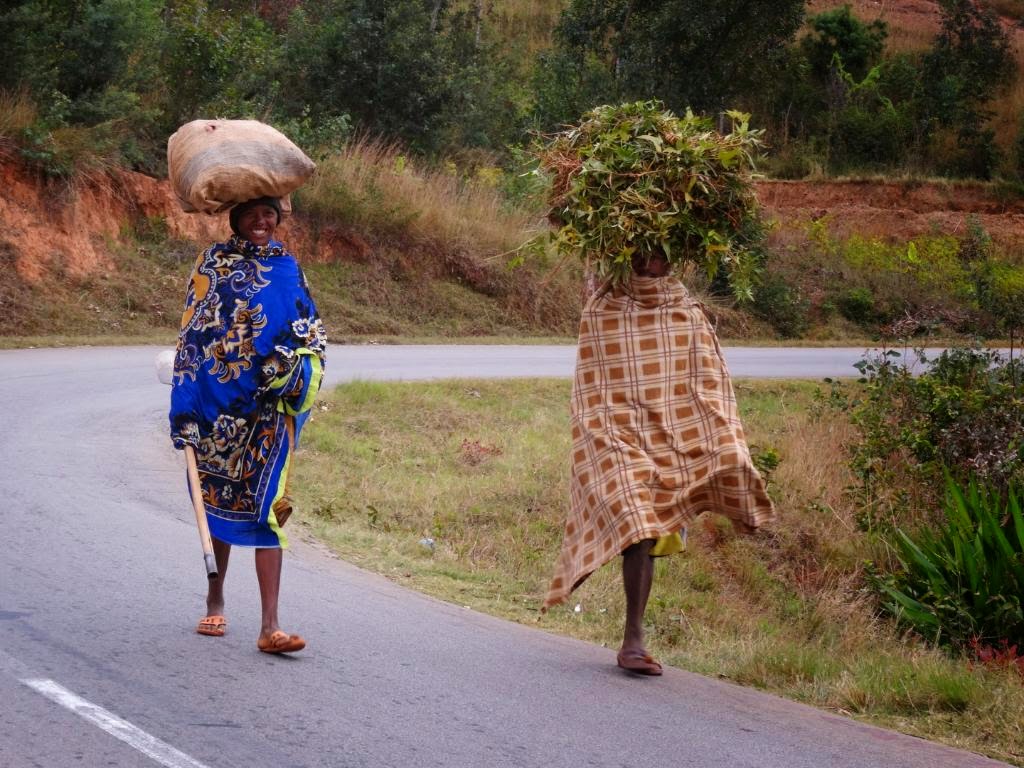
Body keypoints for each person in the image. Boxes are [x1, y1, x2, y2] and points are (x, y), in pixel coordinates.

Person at [544, 251, 774, 675]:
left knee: (649, 523)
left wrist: (714, 442)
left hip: (669, 433)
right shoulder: (604, 309)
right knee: (636, 517)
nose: (650, 267)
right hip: (613, 431)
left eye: (661, 259)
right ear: (622, 254)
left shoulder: (684, 311)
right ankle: (633, 639)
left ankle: (633, 636)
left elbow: (706, 384)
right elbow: (593, 382)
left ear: (674, 261)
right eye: (641, 257)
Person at [169, 196, 326, 654]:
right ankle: (215, 599)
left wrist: (294, 369)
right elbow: (192, 337)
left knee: (266, 512)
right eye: (252, 213)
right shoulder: (212, 264)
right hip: (219, 410)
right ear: (235, 218)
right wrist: (185, 404)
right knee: (218, 506)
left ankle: (270, 626)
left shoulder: (288, 267)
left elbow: (310, 330)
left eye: (269, 213)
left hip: (270, 410)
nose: (262, 221)